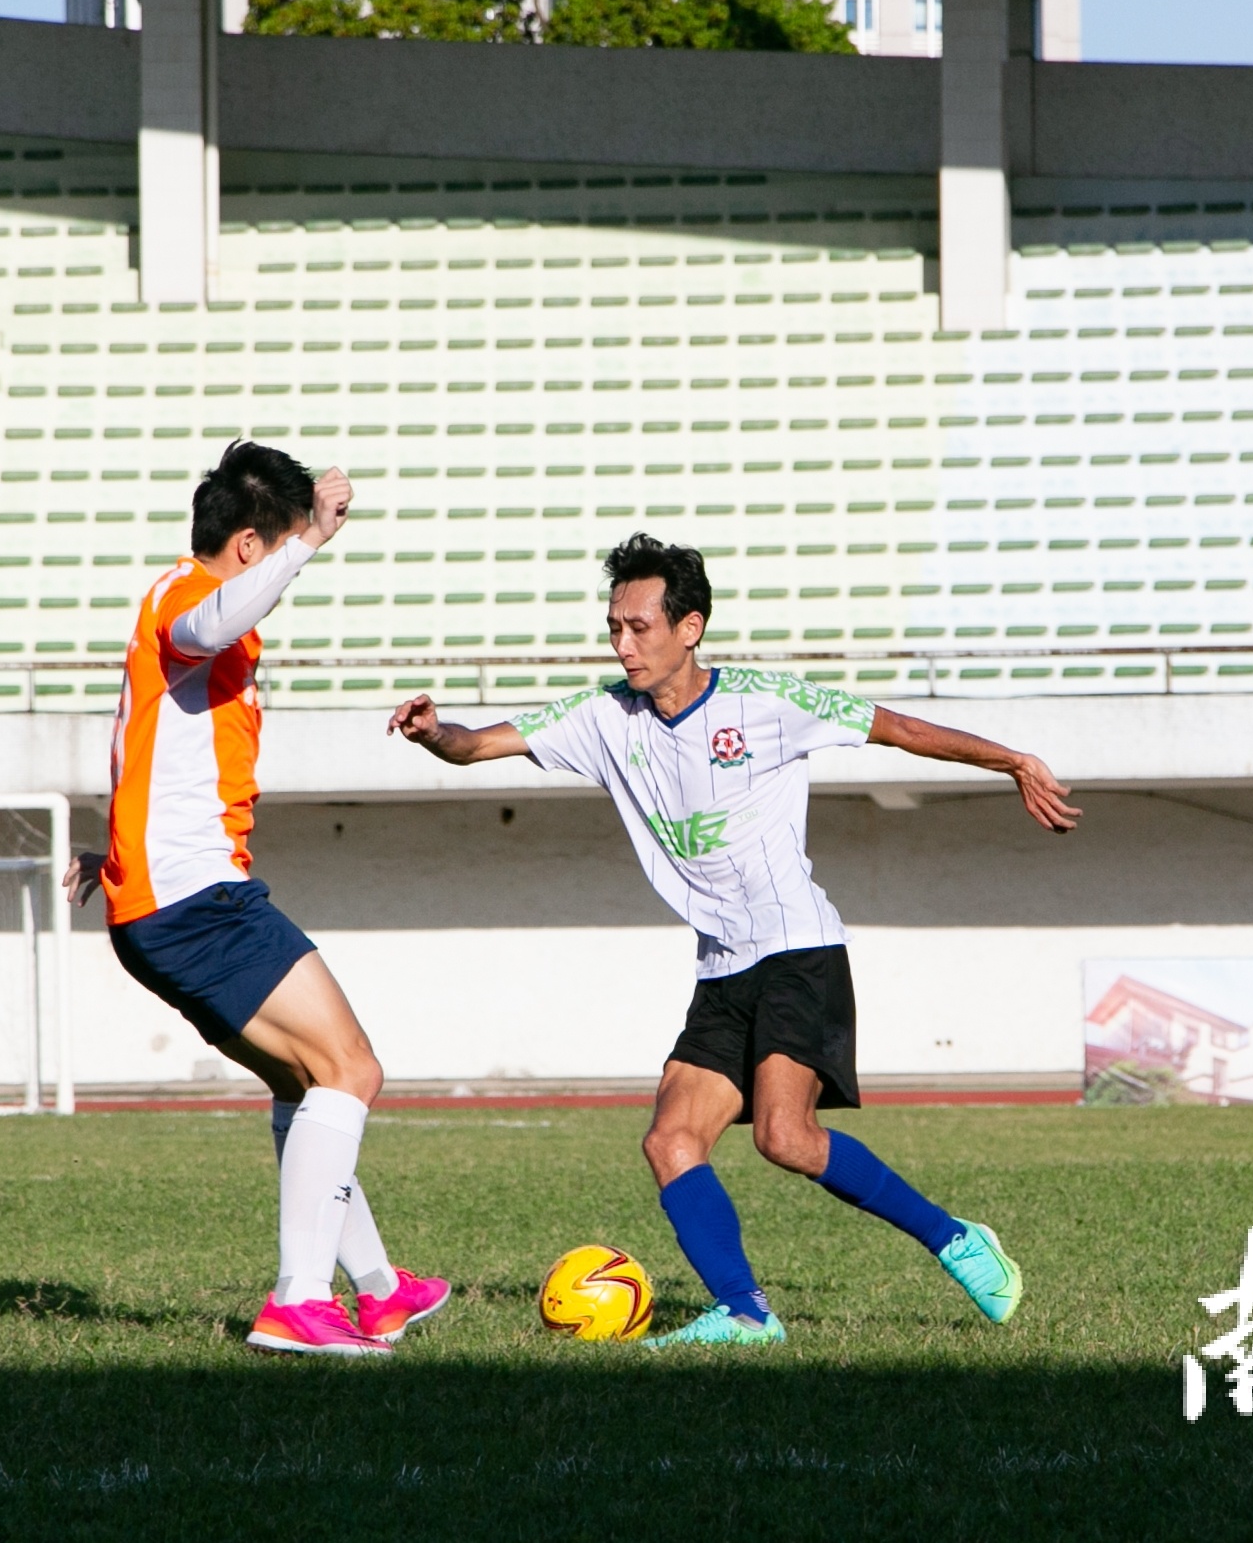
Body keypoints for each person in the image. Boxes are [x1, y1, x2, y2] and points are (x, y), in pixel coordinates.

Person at [388, 532, 1081, 1347]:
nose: (623, 642)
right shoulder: (605, 717)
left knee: (786, 1136)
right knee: (670, 1140)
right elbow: (480, 745)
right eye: (614, 625)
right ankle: (747, 1313)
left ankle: (957, 1238)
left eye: (640, 625)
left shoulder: (764, 700)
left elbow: (891, 727)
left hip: (799, 951)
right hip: (722, 965)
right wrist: (436, 731)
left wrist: (1011, 761)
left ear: (690, 627)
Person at [65, 441, 449, 1358]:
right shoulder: (182, 600)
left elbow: (149, 746)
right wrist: (312, 538)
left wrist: (115, 848)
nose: (280, 566)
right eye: (272, 548)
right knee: (352, 1071)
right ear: (247, 545)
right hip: (196, 901)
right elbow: (203, 628)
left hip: (167, 897)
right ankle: (297, 1300)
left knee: (305, 1081)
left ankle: (382, 1291)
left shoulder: (185, 618)